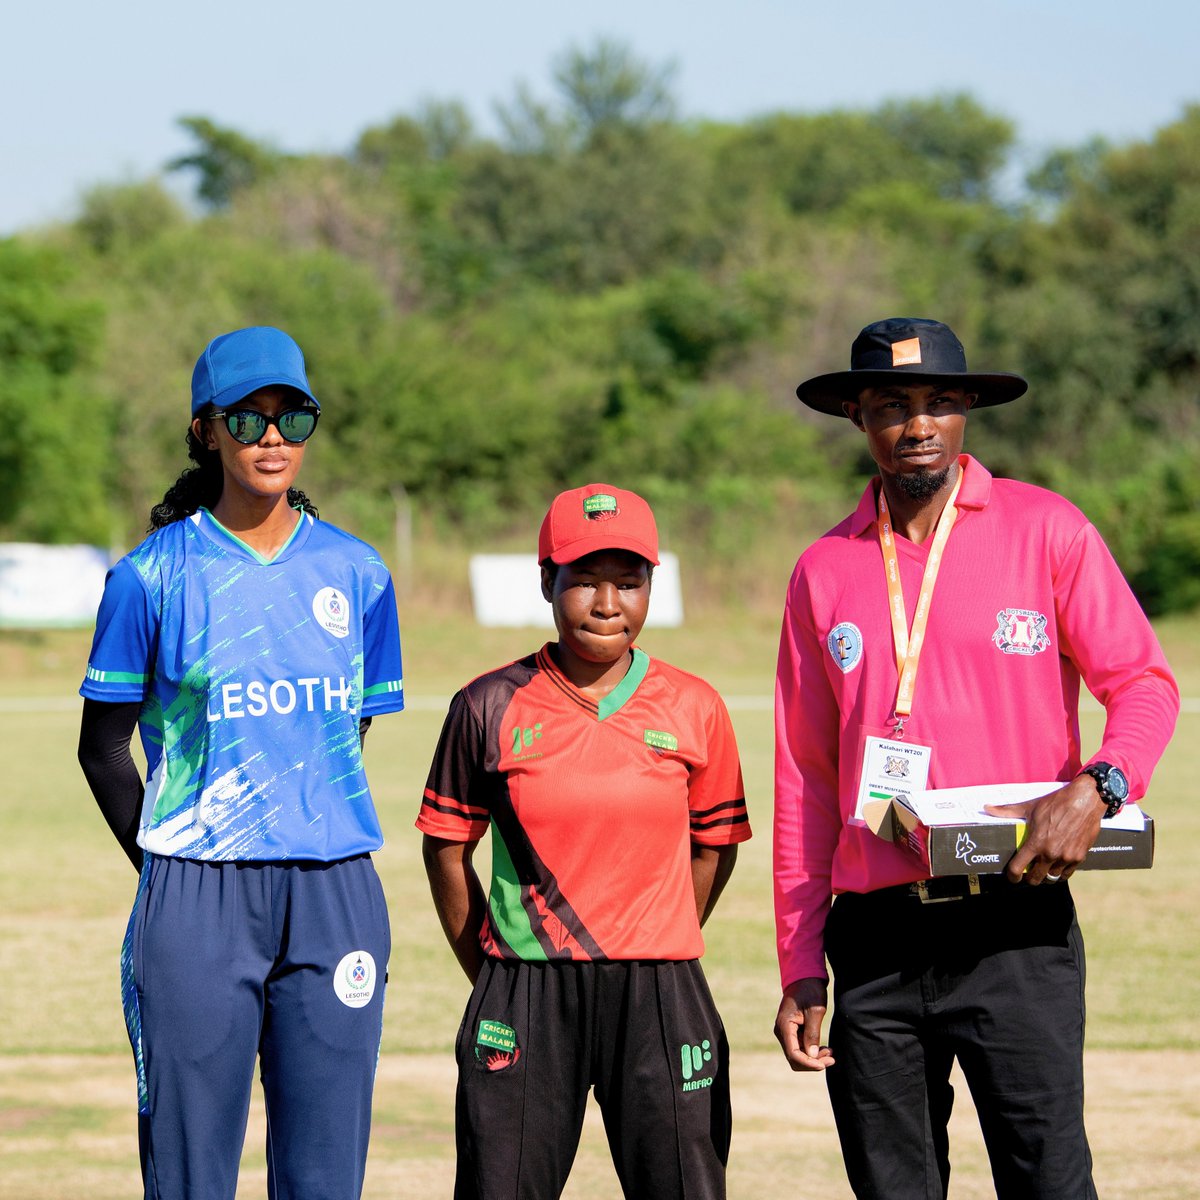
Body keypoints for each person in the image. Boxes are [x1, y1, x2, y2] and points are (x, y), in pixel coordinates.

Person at [772, 317, 1179, 1199]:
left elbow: (1144, 684)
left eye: (940, 403)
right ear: (856, 416)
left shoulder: (1048, 528)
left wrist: (1099, 787)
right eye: (892, 404)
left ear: (967, 414)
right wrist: (801, 964)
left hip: (1015, 925)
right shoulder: (823, 570)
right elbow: (804, 782)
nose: (918, 424)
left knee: (1048, 1183)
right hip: (874, 938)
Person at [76, 326, 406, 1200]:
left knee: (326, 1174)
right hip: (195, 889)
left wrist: (296, 813)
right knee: (190, 1176)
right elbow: (103, 747)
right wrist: (167, 867)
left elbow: (346, 734)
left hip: (333, 887)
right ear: (205, 430)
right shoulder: (151, 576)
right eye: (248, 418)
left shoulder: (358, 572)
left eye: (292, 416)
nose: (272, 437)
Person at [417, 483, 751, 1200]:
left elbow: (715, 845)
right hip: (524, 988)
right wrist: (494, 970)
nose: (608, 605)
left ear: (651, 587)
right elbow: (446, 846)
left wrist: (659, 930)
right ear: (546, 581)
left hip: (662, 990)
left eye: (629, 584)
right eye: (585, 583)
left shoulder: (696, 706)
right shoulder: (488, 704)